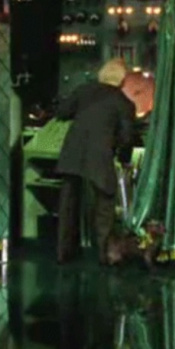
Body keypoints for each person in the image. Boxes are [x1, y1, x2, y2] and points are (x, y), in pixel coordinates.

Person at [55, 58, 136, 265]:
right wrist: (123, 158)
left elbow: (62, 112)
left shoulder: (84, 90)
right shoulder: (124, 103)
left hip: (72, 153)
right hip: (100, 156)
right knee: (105, 203)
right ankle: (104, 253)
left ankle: (64, 253)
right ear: (122, 80)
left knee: (68, 205)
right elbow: (127, 137)